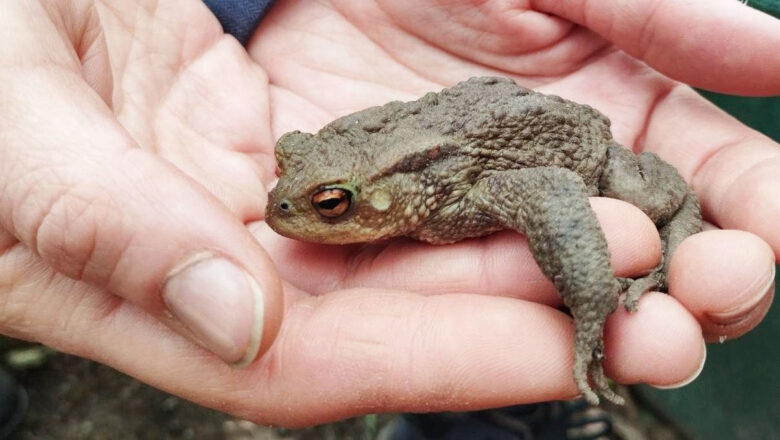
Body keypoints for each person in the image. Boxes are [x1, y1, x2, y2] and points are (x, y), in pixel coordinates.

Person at [0, 0, 777, 433]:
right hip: (451, 130)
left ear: (378, 197)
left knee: (651, 203)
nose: (293, 210)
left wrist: (590, 306)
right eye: (295, 181)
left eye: (328, 206)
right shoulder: (390, 177)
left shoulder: (448, 197)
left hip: (568, 139)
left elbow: (549, 192)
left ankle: (679, 234)